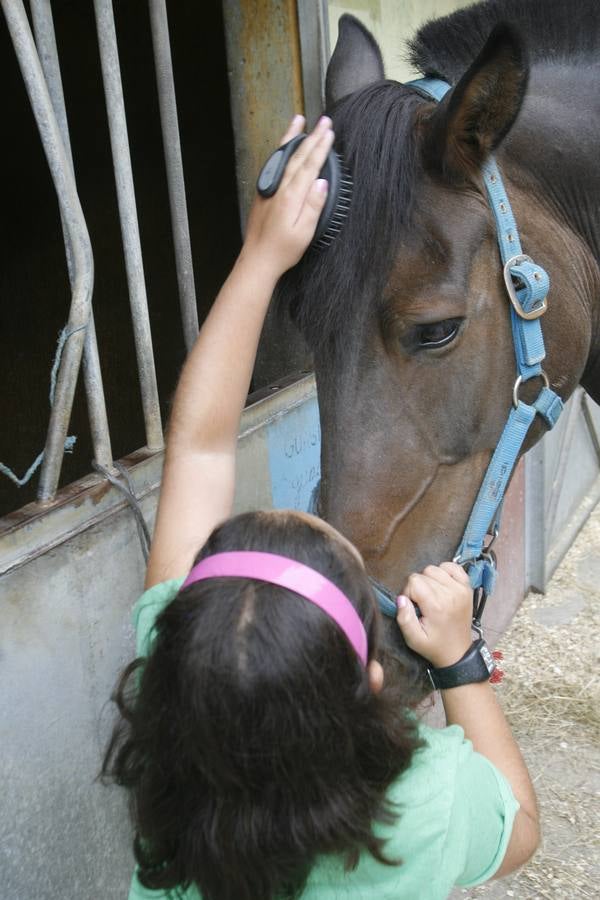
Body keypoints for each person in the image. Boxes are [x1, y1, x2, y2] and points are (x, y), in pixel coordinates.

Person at [102, 115, 539, 900]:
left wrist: (261, 259)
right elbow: (522, 827)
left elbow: (201, 447)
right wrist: (460, 661)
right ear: (372, 682)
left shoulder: (176, 793)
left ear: (168, 676)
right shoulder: (421, 814)